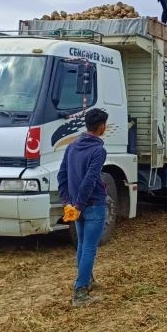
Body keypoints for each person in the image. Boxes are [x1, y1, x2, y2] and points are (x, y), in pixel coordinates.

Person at [58, 108, 109, 308]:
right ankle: (80, 293)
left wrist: (68, 202)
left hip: (74, 205)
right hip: (92, 205)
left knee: (82, 245)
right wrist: (79, 204)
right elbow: (90, 180)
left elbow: (62, 175)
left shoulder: (72, 146)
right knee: (89, 247)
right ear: (101, 127)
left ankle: (87, 280)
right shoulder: (98, 151)